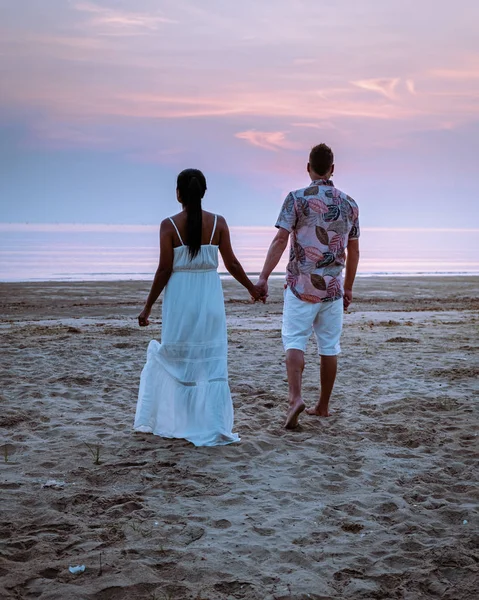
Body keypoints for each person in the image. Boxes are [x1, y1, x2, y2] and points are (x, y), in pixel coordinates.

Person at [135, 168, 262, 446]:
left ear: (178, 193)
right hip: (209, 298)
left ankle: (183, 422)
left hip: (181, 301)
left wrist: (147, 308)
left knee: (176, 358)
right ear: (204, 192)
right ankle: (213, 423)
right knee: (211, 363)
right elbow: (232, 264)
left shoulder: (168, 226)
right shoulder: (219, 223)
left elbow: (164, 269)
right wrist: (251, 288)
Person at [255, 144, 360, 429]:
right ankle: (323, 406)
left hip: (301, 285)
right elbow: (354, 251)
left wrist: (263, 277)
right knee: (329, 346)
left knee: (294, 340)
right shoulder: (349, 203)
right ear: (333, 169)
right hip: (332, 289)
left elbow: (280, 240)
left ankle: (295, 399)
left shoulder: (296, 199)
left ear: (308, 167)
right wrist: (348, 287)